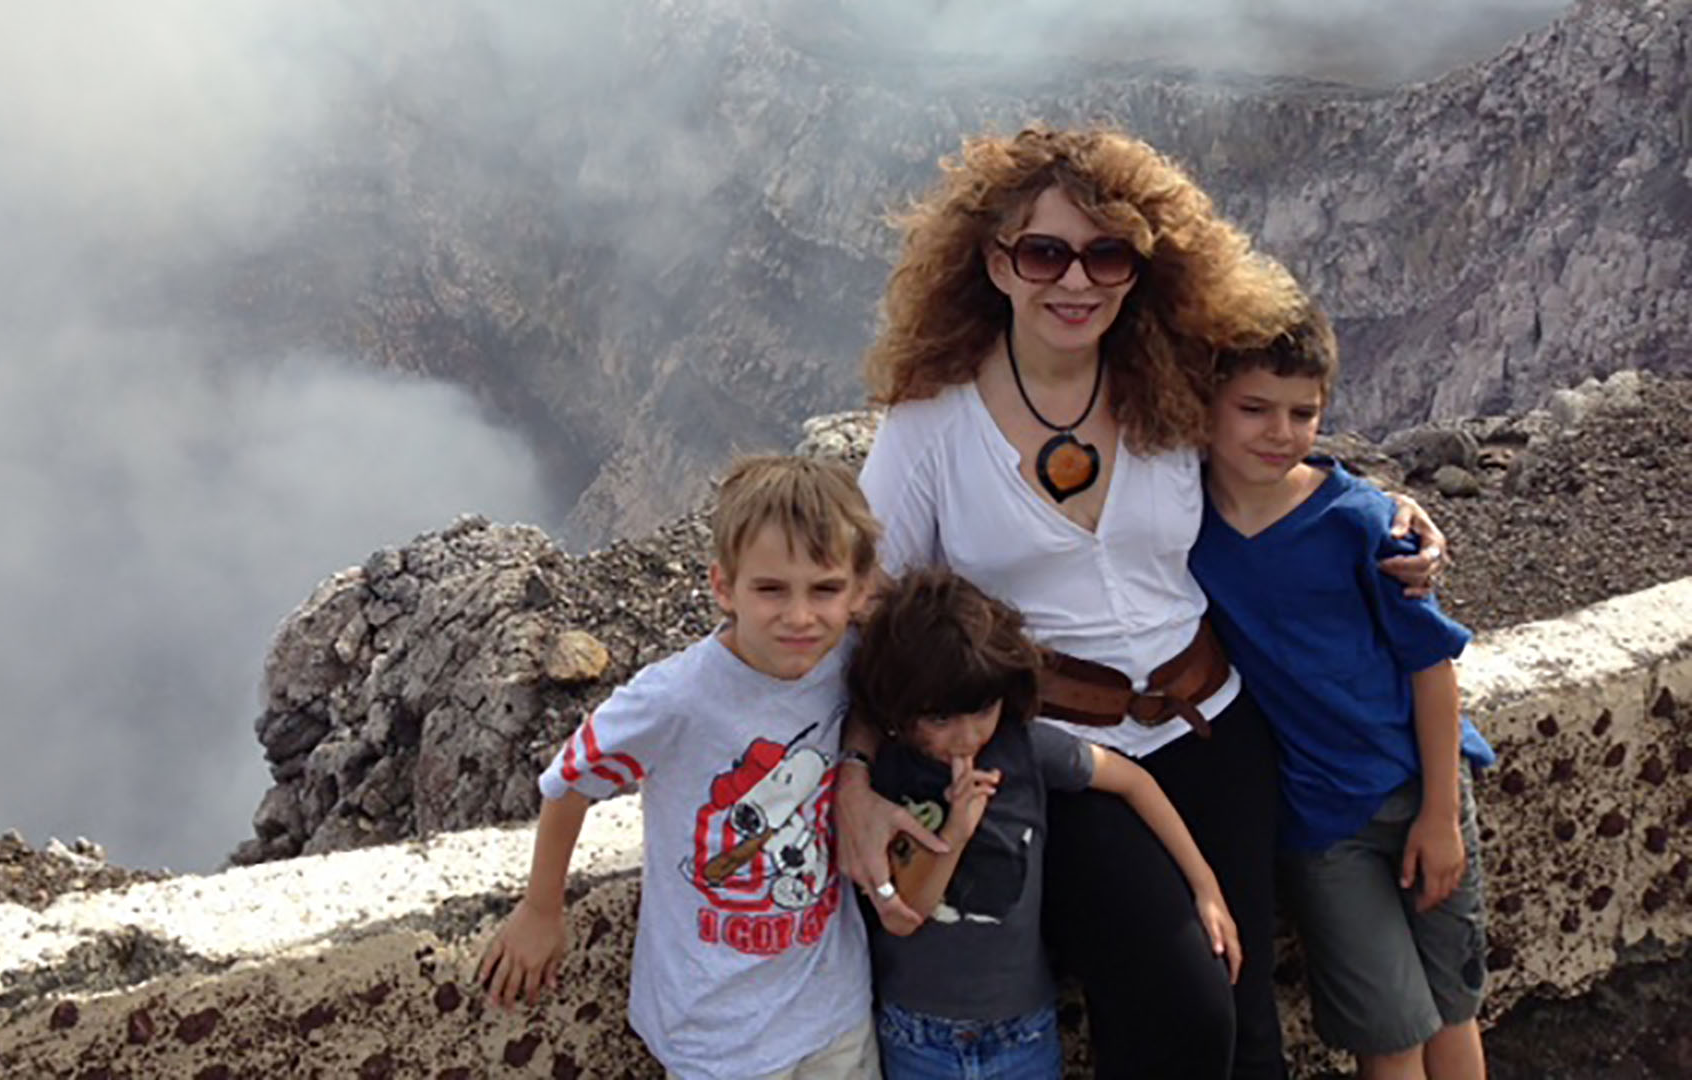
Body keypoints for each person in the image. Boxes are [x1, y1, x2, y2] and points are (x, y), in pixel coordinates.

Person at [836, 125, 1446, 1080]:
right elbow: (863, 614)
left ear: (1141, 266)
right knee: (1181, 1000)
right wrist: (855, 779)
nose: (1075, 281)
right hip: (1068, 765)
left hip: (1221, 734)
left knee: (1247, 1028)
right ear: (995, 262)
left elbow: (1273, 461)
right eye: (1045, 252)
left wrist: (1387, 516)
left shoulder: (1169, 382)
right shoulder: (931, 427)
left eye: (1106, 252)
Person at [478, 454, 882, 1080]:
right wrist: (541, 909)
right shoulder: (675, 698)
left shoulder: (850, 660)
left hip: (833, 1011)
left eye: (824, 589)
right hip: (715, 1030)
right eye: (771, 589)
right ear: (724, 588)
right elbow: (570, 781)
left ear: (857, 592)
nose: (800, 616)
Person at [1190, 311, 1493, 1080]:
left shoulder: (1363, 523)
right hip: (1323, 821)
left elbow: (1432, 665)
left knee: (1454, 1006)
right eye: (1254, 409)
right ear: (1207, 404)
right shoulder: (1180, 525)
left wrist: (1440, 815)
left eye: (1303, 412)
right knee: (1387, 1033)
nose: (1279, 432)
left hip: (1420, 784)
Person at [847, 567, 1240, 1080]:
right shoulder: (893, 772)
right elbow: (905, 914)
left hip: (1022, 1030)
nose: (965, 737)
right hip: (919, 1035)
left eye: (981, 711)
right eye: (939, 719)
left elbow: (1133, 782)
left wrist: (1204, 884)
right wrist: (956, 833)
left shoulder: (1024, 747)